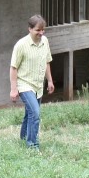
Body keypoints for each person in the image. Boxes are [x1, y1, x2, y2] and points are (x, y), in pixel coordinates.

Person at [9, 14, 55, 150]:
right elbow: (13, 67)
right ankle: (32, 145)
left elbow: (47, 61)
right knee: (35, 113)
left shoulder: (45, 41)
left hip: (38, 85)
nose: (41, 33)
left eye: (43, 30)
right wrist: (13, 89)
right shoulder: (21, 45)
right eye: (38, 30)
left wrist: (50, 81)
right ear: (29, 29)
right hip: (24, 84)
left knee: (29, 113)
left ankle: (23, 138)